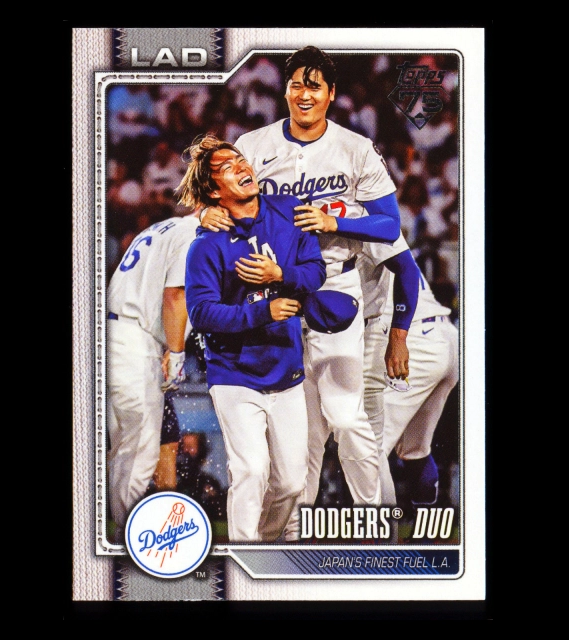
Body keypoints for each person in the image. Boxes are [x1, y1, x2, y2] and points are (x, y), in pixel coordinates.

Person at [200, 46, 409, 540]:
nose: (304, 94)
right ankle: (287, 542)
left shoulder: (355, 147)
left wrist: (336, 222)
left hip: (333, 285)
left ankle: (374, 527)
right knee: (306, 436)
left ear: (331, 93)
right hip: (271, 290)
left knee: (345, 416)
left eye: (314, 85)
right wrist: (205, 213)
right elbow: (220, 192)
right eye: (296, 84)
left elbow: (390, 225)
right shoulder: (254, 144)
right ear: (285, 90)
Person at [179, 134, 327, 542]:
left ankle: (265, 543)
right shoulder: (206, 245)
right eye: (227, 168)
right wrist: (263, 311)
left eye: (240, 160)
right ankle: (245, 554)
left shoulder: (289, 211)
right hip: (233, 373)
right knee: (250, 470)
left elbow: (315, 271)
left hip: (286, 367)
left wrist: (280, 275)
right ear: (213, 191)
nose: (241, 167)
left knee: (292, 482)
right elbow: (201, 314)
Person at [106, 208, 199, 544]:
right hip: (136, 341)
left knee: (124, 451)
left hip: (117, 334)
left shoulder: (162, 227)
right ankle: (128, 543)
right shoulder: (192, 234)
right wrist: (176, 351)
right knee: (141, 453)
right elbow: (176, 296)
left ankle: (122, 535)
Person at [359, 234, 458, 519]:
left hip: (416, 342)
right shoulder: (382, 234)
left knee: (369, 447)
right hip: (445, 336)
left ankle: (379, 535)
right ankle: (425, 535)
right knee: (415, 450)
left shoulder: (358, 236)